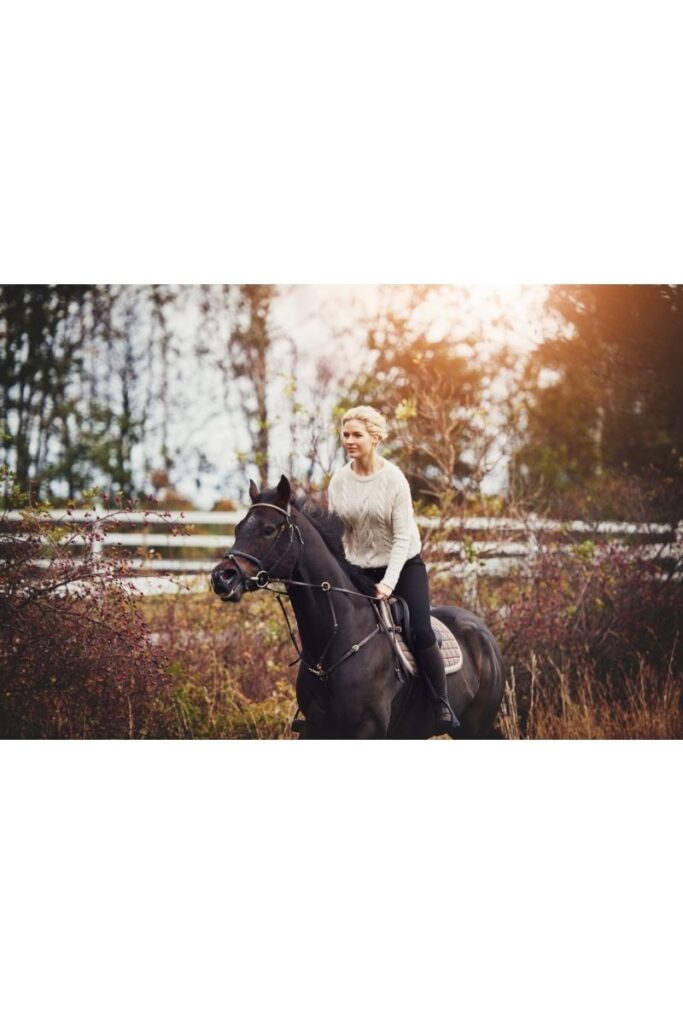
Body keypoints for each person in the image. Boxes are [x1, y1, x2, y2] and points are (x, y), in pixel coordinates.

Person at [327, 405, 456, 735]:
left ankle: (440, 703)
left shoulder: (394, 479)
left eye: (357, 435)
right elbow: (335, 534)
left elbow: (402, 537)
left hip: (403, 565)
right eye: (346, 435)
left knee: (420, 630)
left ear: (375, 437)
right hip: (358, 569)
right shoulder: (338, 482)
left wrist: (388, 582)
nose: (350, 441)